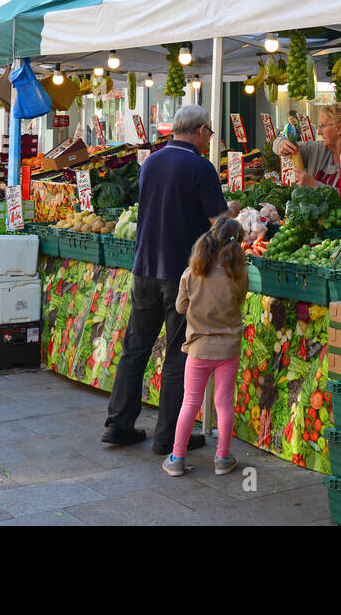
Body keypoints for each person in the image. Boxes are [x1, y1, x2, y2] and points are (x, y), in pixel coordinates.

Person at [103, 105, 228, 454]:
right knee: (178, 353)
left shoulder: (152, 162)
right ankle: (170, 437)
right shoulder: (201, 168)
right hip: (180, 274)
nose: (210, 139)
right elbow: (219, 224)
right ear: (201, 130)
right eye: (211, 133)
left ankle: (118, 425)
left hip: (144, 267)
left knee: (135, 348)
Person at [162, 218, 246, 478]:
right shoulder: (238, 276)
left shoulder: (191, 273)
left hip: (198, 347)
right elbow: (239, 303)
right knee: (224, 404)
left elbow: (180, 307)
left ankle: (176, 458)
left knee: (190, 401)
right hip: (227, 349)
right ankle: (222, 458)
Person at [274, 102, 341, 203]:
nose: (319, 132)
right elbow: (280, 144)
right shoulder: (318, 149)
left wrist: (314, 185)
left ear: (339, 128)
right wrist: (282, 143)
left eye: (323, 126)